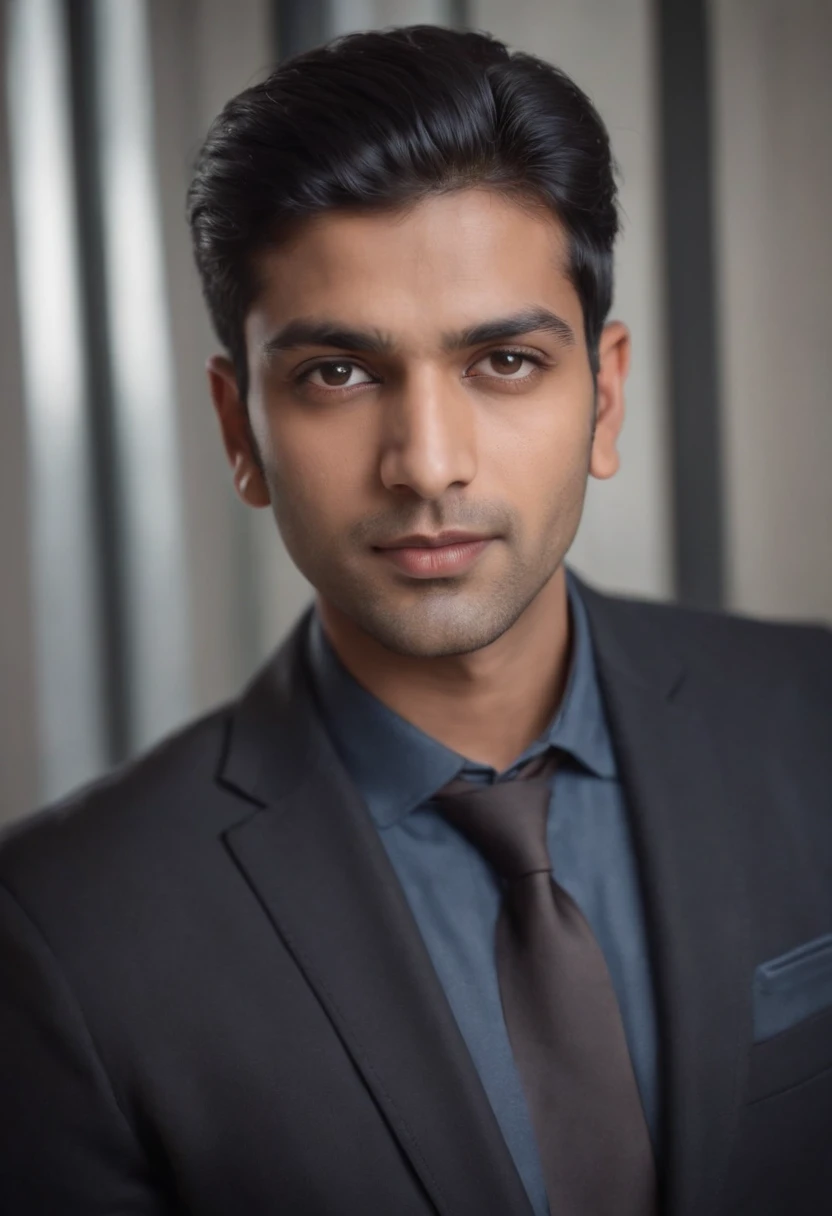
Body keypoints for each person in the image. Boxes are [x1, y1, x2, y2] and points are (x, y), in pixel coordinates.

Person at [0, 23, 830, 1216]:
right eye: (338, 372)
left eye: (501, 360)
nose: (426, 464)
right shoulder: (65, 933)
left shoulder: (814, 722)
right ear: (240, 432)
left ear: (605, 398)